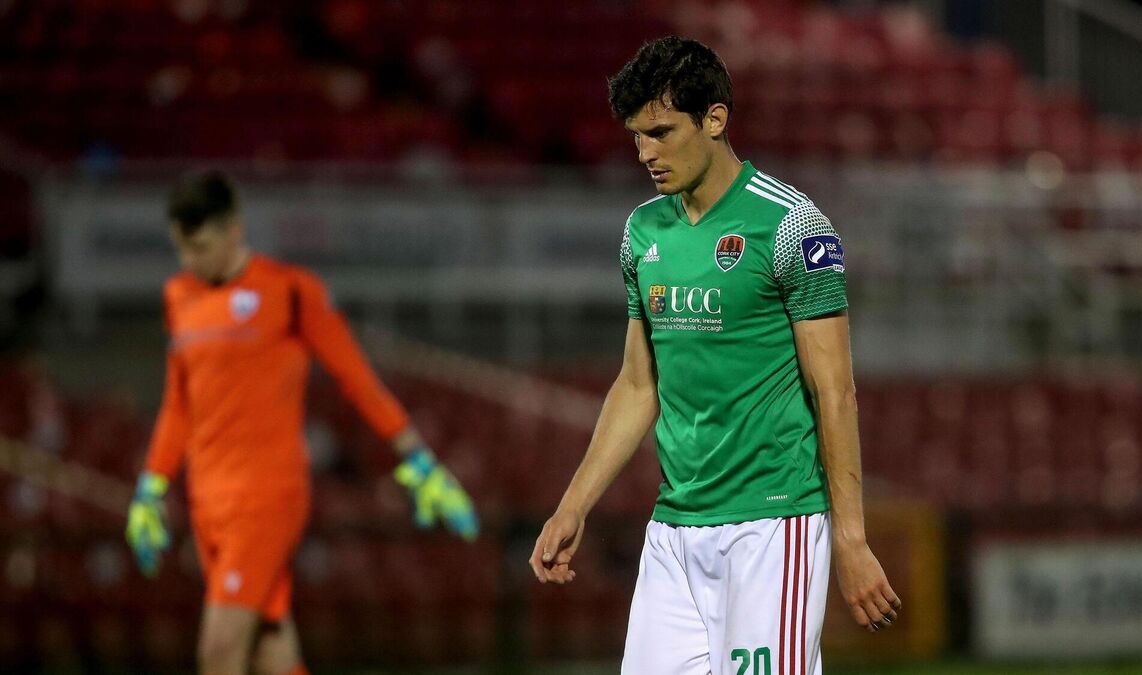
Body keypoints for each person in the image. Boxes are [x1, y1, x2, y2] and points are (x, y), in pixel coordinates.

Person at [529, 37, 900, 675]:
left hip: (773, 527)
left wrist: (851, 540)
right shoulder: (642, 231)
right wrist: (573, 505)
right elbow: (638, 384)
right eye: (636, 137)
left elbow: (834, 392)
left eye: (661, 132)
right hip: (673, 533)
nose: (646, 153)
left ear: (715, 119)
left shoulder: (793, 228)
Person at [125, 171, 478, 675]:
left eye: (199, 247)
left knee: (220, 652)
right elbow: (178, 404)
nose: (188, 261)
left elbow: (357, 378)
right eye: (180, 248)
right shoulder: (178, 295)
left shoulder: (289, 292)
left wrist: (420, 460)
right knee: (271, 649)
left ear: (234, 230)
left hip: (266, 498)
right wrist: (151, 485)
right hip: (207, 500)